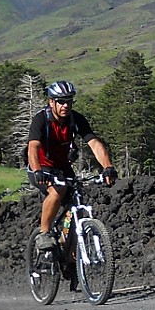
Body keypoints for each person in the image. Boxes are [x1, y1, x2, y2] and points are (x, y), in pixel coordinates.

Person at [26, 81, 117, 250]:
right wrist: (38, 171)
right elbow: (33, 147)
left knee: (78, 202)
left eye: (69, 101)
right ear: (51, 102)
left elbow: (94, 143)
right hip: (40, 166)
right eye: (61, 101)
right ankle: (44, 233)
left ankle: (70, 252)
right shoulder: (41, 119)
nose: (65, 105)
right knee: (57, 191)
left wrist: (108, 167)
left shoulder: (77, 119)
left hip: (62, 166)